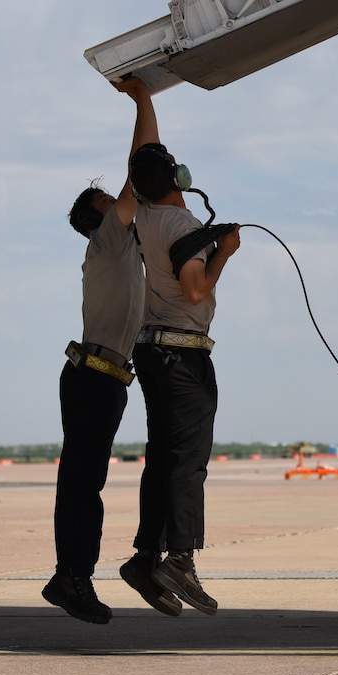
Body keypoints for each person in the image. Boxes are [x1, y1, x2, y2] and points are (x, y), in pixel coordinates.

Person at [43, 77, 181, 623]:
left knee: (86, 481)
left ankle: (75, 575)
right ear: (99, 219)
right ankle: (71, 578)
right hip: (94, 375)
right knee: (82, 482)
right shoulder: (107, 240)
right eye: (116, 203)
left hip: (108, 376)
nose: (131, 205)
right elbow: (138, 174)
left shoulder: (127, 254)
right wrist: (144, 102)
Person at [122, 135, 240, 616]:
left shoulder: (143, 217)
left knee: (164, 460)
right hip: (182, 355)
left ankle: (146, 557)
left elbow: (139, 158)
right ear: (176, 179)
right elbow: (195, 291)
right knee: (188, 461)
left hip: (152, 353)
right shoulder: (182, 224)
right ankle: (181, 558)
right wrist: (224, 252)